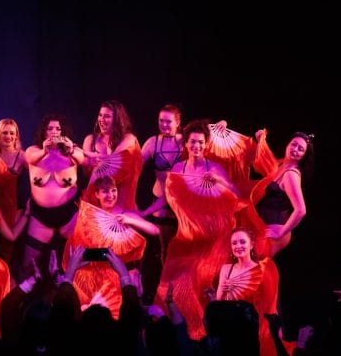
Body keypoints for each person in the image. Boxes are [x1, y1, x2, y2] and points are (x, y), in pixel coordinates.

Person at [151, 119, 241, 340]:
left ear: (206, 145)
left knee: (203, 282)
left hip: (212, 240)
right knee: (175, 279)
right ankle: (176, 329)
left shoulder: (215, 168)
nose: (197, 146)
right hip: (188, 236)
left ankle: (203, 331)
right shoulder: (179, 169)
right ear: (186, 144)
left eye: (201, 142)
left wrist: (219, 182)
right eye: (193, 142)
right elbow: (171, 198)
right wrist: (144, 213)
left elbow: (235, 195)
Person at [62, 176, 160, 318]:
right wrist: (81, 217)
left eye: (114, 191)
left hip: (121, 274)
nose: (111, 195)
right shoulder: (91, 216)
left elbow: (154, 230)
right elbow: (69, 237)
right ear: (97, 194)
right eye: (105, 192)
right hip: (98, 275)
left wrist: (130, 220)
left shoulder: (125, 214)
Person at [21, 113, 84, 280]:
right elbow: (31, 158)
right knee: (28, 265)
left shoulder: (73, 151)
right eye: (49, 128)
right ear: (44, 132)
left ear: (64, 131)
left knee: (79, 261)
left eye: (58, 128)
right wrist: (44, 150)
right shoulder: (33, 151)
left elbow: (81, 158)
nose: (54, 132)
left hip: (69, 215)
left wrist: (70, 149)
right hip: (41, 217)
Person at [139, 103, 183, 304]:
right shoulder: (152, 143)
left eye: (168, 121)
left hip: (183, 204)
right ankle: (167, 290)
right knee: (165, 248)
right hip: (161, 200)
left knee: (182, 248)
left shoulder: (186, 142)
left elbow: (207, 134)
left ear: (178, 122)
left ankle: (182, 288)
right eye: (161, 121)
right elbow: (132, 168)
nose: (164, 125)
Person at [216, 227, 280, 355]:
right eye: (234, 243)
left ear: (251, 245)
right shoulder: (226, 268)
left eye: (242, 242)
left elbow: (270, 305)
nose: (238, 246)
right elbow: (219, 302)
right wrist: (222, 290)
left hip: (252, 331)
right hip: (229, 328)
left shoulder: (262, 270)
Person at [250, 131, 313, 257]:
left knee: (252, 267)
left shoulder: (291, 174)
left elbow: (301, 210)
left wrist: (281, 232)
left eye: (300, 149)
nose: (295, 149)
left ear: (303, 156)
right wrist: (260, 140)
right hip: (263, 227)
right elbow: (265, 161)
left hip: (275, 230)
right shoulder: (281, 164)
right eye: (294, 144)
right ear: (288, 144)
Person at [82, 100, 142, 210]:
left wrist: (88, 154)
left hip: (121, 202)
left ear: (117, 120)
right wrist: (87, 161)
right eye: (100, 115)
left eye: (107, 116)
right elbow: (86, 170)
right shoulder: (90, 140)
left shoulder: (128, 138)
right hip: (97, 200)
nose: (102, 119)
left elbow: (114, 161)